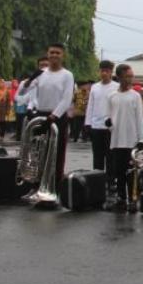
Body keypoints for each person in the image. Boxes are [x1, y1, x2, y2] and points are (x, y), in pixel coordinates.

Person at [18, 43, 75, 183]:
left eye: (57, 53)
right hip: (41, 115)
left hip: (57, 117)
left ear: (63, 55)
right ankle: (36, 183)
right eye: (52, 52)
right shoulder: (41, 73)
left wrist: (54, 115)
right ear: (47, 54)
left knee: (56, 153)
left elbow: (67, 98)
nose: (54, 55)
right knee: (38, 152)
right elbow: (22, 93)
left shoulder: (67, 75)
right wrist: (28, 81)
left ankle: (55, 185)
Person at [105, 64, 143, 212]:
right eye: (128, 76)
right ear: (120, 77)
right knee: (119, 171)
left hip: (131, 140)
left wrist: (141, 139)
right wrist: (108, 123)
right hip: (116, 140)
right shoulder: (112, 96)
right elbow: (109, 117)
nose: (130, 78)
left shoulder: (135, 96)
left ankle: (133, 198)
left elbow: (139, 119)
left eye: (131, 75)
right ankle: (121, 198)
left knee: (131, 172)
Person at [85, 61, 119, 196]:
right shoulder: (95, 87)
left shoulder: (116, 87)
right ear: (99, 71)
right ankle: (97, 180)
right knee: (97, 156)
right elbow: (90, 106)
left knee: (110, 157)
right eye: (102, 70)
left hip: (110, 127)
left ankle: (111, 181)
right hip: (96, 126)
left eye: (107, 71)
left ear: (111, 72)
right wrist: (88, 123)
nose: (104, 73)